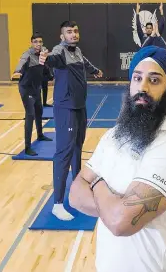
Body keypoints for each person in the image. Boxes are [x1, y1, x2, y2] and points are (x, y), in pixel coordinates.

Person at [69, 46, 166, 272]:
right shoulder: (114, 135)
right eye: (137, 78)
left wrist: (98, 183)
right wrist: (113, 207)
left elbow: (122, 222)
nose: (143, 87)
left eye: (154, 80)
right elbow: (75, 193)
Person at [38, 20, 103, 220]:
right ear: (62, 36)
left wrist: (95, 71)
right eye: (69, 32)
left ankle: (77, 190)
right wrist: (45, 58)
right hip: (65, 107)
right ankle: (57, 203)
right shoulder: (60, 50)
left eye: (75, 31)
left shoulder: (77, 51)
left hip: (79, 106)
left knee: (77, 148)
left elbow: (85, 63)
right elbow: (53, 59)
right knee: (64, 153)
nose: (73, 34)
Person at [11, 32, 53, 156]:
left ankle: (40, 135)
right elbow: (21, 62)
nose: (38, 44)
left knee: (39, 110)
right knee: (30, 115)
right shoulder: (27, 54)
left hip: (36, 87)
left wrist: (50, 75)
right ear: (31, 43)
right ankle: (27, 147)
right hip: (26, 88)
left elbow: (45, 64)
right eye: (35, 42)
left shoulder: (43, 52)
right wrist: (17, 71)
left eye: (40, 42)